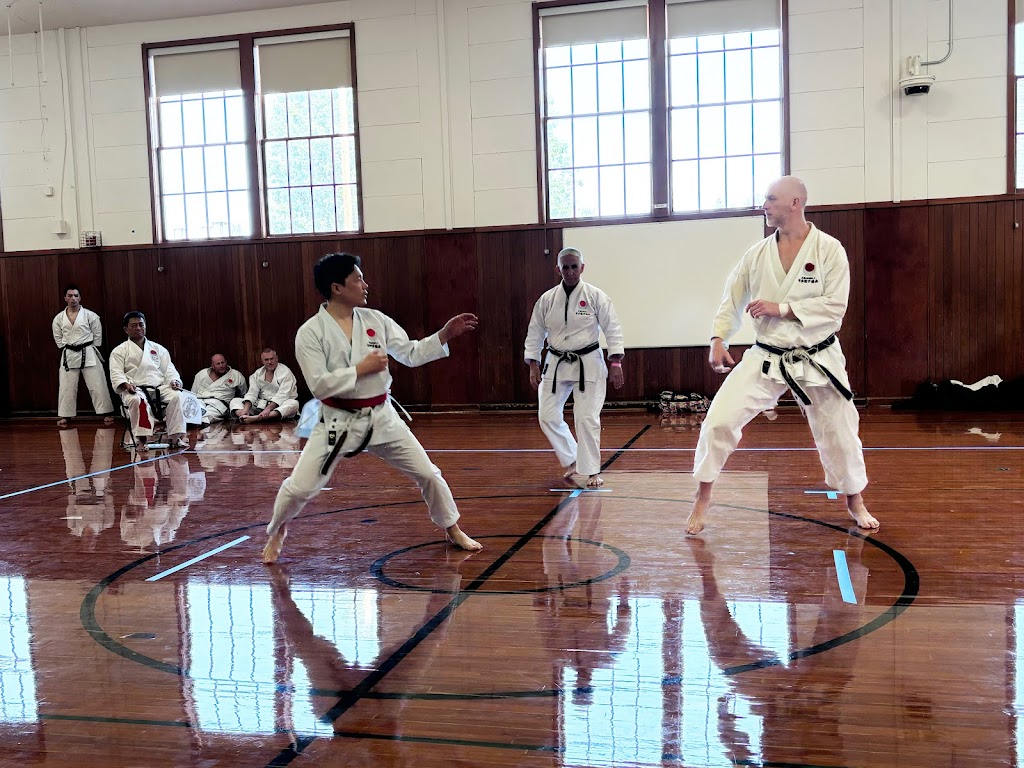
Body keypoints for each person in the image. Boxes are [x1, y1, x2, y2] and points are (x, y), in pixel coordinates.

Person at [687, 176, 879, 535]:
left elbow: (836, 307)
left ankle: (855, 498)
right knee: (719, 420)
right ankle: (703, 494)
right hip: (767, 355)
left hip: (818, 357)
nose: (765, 205)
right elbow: (732, 299)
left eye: (771, 199)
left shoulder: (828, 250)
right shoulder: (757, 255)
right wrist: (718, 337)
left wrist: (783, 308)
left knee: (840, 431)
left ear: (795, 203)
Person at [262, 252, 482, 563]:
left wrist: (445, 334)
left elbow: (410, 352)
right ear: (337, 288)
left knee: (429, 474)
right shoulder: (310, 333)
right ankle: (277, 529)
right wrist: (360, 369)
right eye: (358, 279)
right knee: (300, 488)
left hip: (381, 416)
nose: (366, 284)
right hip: (336, 420)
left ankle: (452, 528)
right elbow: (320, 386)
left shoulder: (375, 320)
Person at [524, 247, 624, 489]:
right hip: (556, 363)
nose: (569, 272)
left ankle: (591, 472)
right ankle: (571, 458)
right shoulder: (547, 300)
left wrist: (616, 361)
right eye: (565, 267)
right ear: (557, 269)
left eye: (574, 266)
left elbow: (612, 328)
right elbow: (535, 332)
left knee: (586, 417)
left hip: (588, 362)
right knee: (547, 415)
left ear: (582, 268)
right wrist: (533, 364)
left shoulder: (595, 296)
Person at [108, 311, 188, 450]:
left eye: (141, 325)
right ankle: (142, 440)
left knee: (177, 396)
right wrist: (126, 385)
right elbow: (116, 373)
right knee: (137, 400)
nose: (138, 328)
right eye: (133, 326)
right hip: (134, 388)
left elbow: (169, 369)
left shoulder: (158, 349)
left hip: (158, 388)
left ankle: (175, 437)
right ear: (126, 329)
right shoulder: (119, 351)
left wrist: (174, 381)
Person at [52, 285, 115, 428]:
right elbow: (58, 338)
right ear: (65, 298)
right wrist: (67, 346)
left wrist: (88, 345)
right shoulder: (58, 318)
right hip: (69, 353)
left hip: (88, 351)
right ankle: (65, 415)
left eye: (75, 295)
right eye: (70, 296)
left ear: (80, 298)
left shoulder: (90, 315)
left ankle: (106, 412)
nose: (73, 298)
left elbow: (97, 335)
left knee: (97, 384)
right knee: (67, 386)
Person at [231, 349, 300, 423]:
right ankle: (243, 415)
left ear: (277, 358)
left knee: (294, 404)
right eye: (266, 360)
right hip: (261, 405)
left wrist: (268, 409)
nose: (269, 362)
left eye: (272, 359)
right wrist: (246, 409)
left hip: (278, 406)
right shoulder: (257, 374)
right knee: (235, 401)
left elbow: (283, 395)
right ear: (262, 361)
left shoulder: (285, 372)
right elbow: (252, 393)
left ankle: (259, 418)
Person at [190, 353, 244, 425]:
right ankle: (191, 420)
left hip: (219, 403)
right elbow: (193, 393)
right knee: (195, 409)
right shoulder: (201, 374)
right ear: (212, 366)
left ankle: (200, 422)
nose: (221, 366)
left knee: (208, 414)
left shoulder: (235, 375)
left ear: (226, 362)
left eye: (223, 363)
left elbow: (243, 393)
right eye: (218, 364)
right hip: (201, 400)